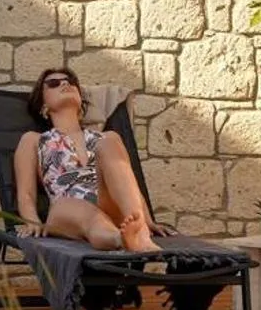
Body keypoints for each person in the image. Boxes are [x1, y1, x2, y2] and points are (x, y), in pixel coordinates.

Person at [12, 67, 162, 253]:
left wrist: (147, 219)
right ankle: (120, 239)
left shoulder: (104, 138)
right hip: (66, 209)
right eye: (53, 83)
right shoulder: (34, 140)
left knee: (110, 139)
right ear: (43, 105)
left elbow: (126, 181)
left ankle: (138, 233)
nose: (65, 83)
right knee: (77, 211)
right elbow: (26, 193)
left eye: (70, 82)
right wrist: (32, 221)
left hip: (107, 202)